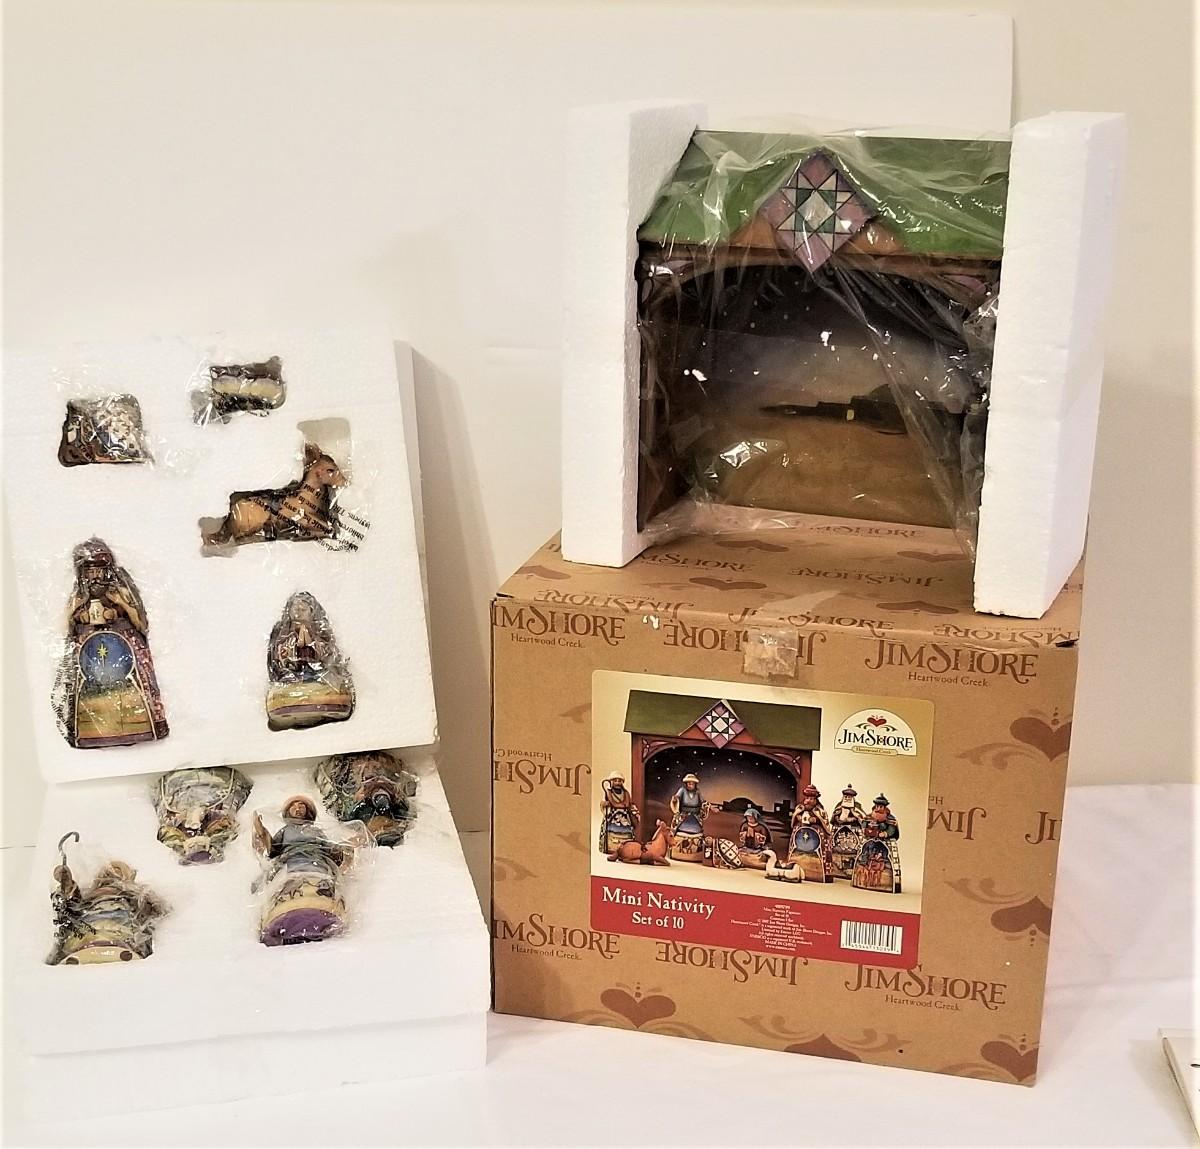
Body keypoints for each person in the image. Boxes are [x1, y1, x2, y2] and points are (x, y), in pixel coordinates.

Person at [61, 538, 168, 748]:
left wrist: (119, 607)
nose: (95, 577)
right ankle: (88, 730)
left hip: (121, 642)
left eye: (99, 570)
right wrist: (80, 615)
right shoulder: (79, 595)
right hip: (90, 648)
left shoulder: (120, 590)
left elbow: (140, 622)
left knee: (135, 673)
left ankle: (145, 724)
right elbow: (67, 624)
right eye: (90, 571)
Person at [599, 770, 639, 854]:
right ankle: (611, 848)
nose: (617, 782)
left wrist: (634, 811)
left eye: (619, 780)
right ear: (611, 781)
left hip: (624, 816)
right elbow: (604, 804)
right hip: (612, 816)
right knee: (611, 832)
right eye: (615, 780)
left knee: (627, 832)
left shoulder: (626, 793)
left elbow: (629, 804)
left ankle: (626, 849)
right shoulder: (608, 793)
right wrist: (605, 804)